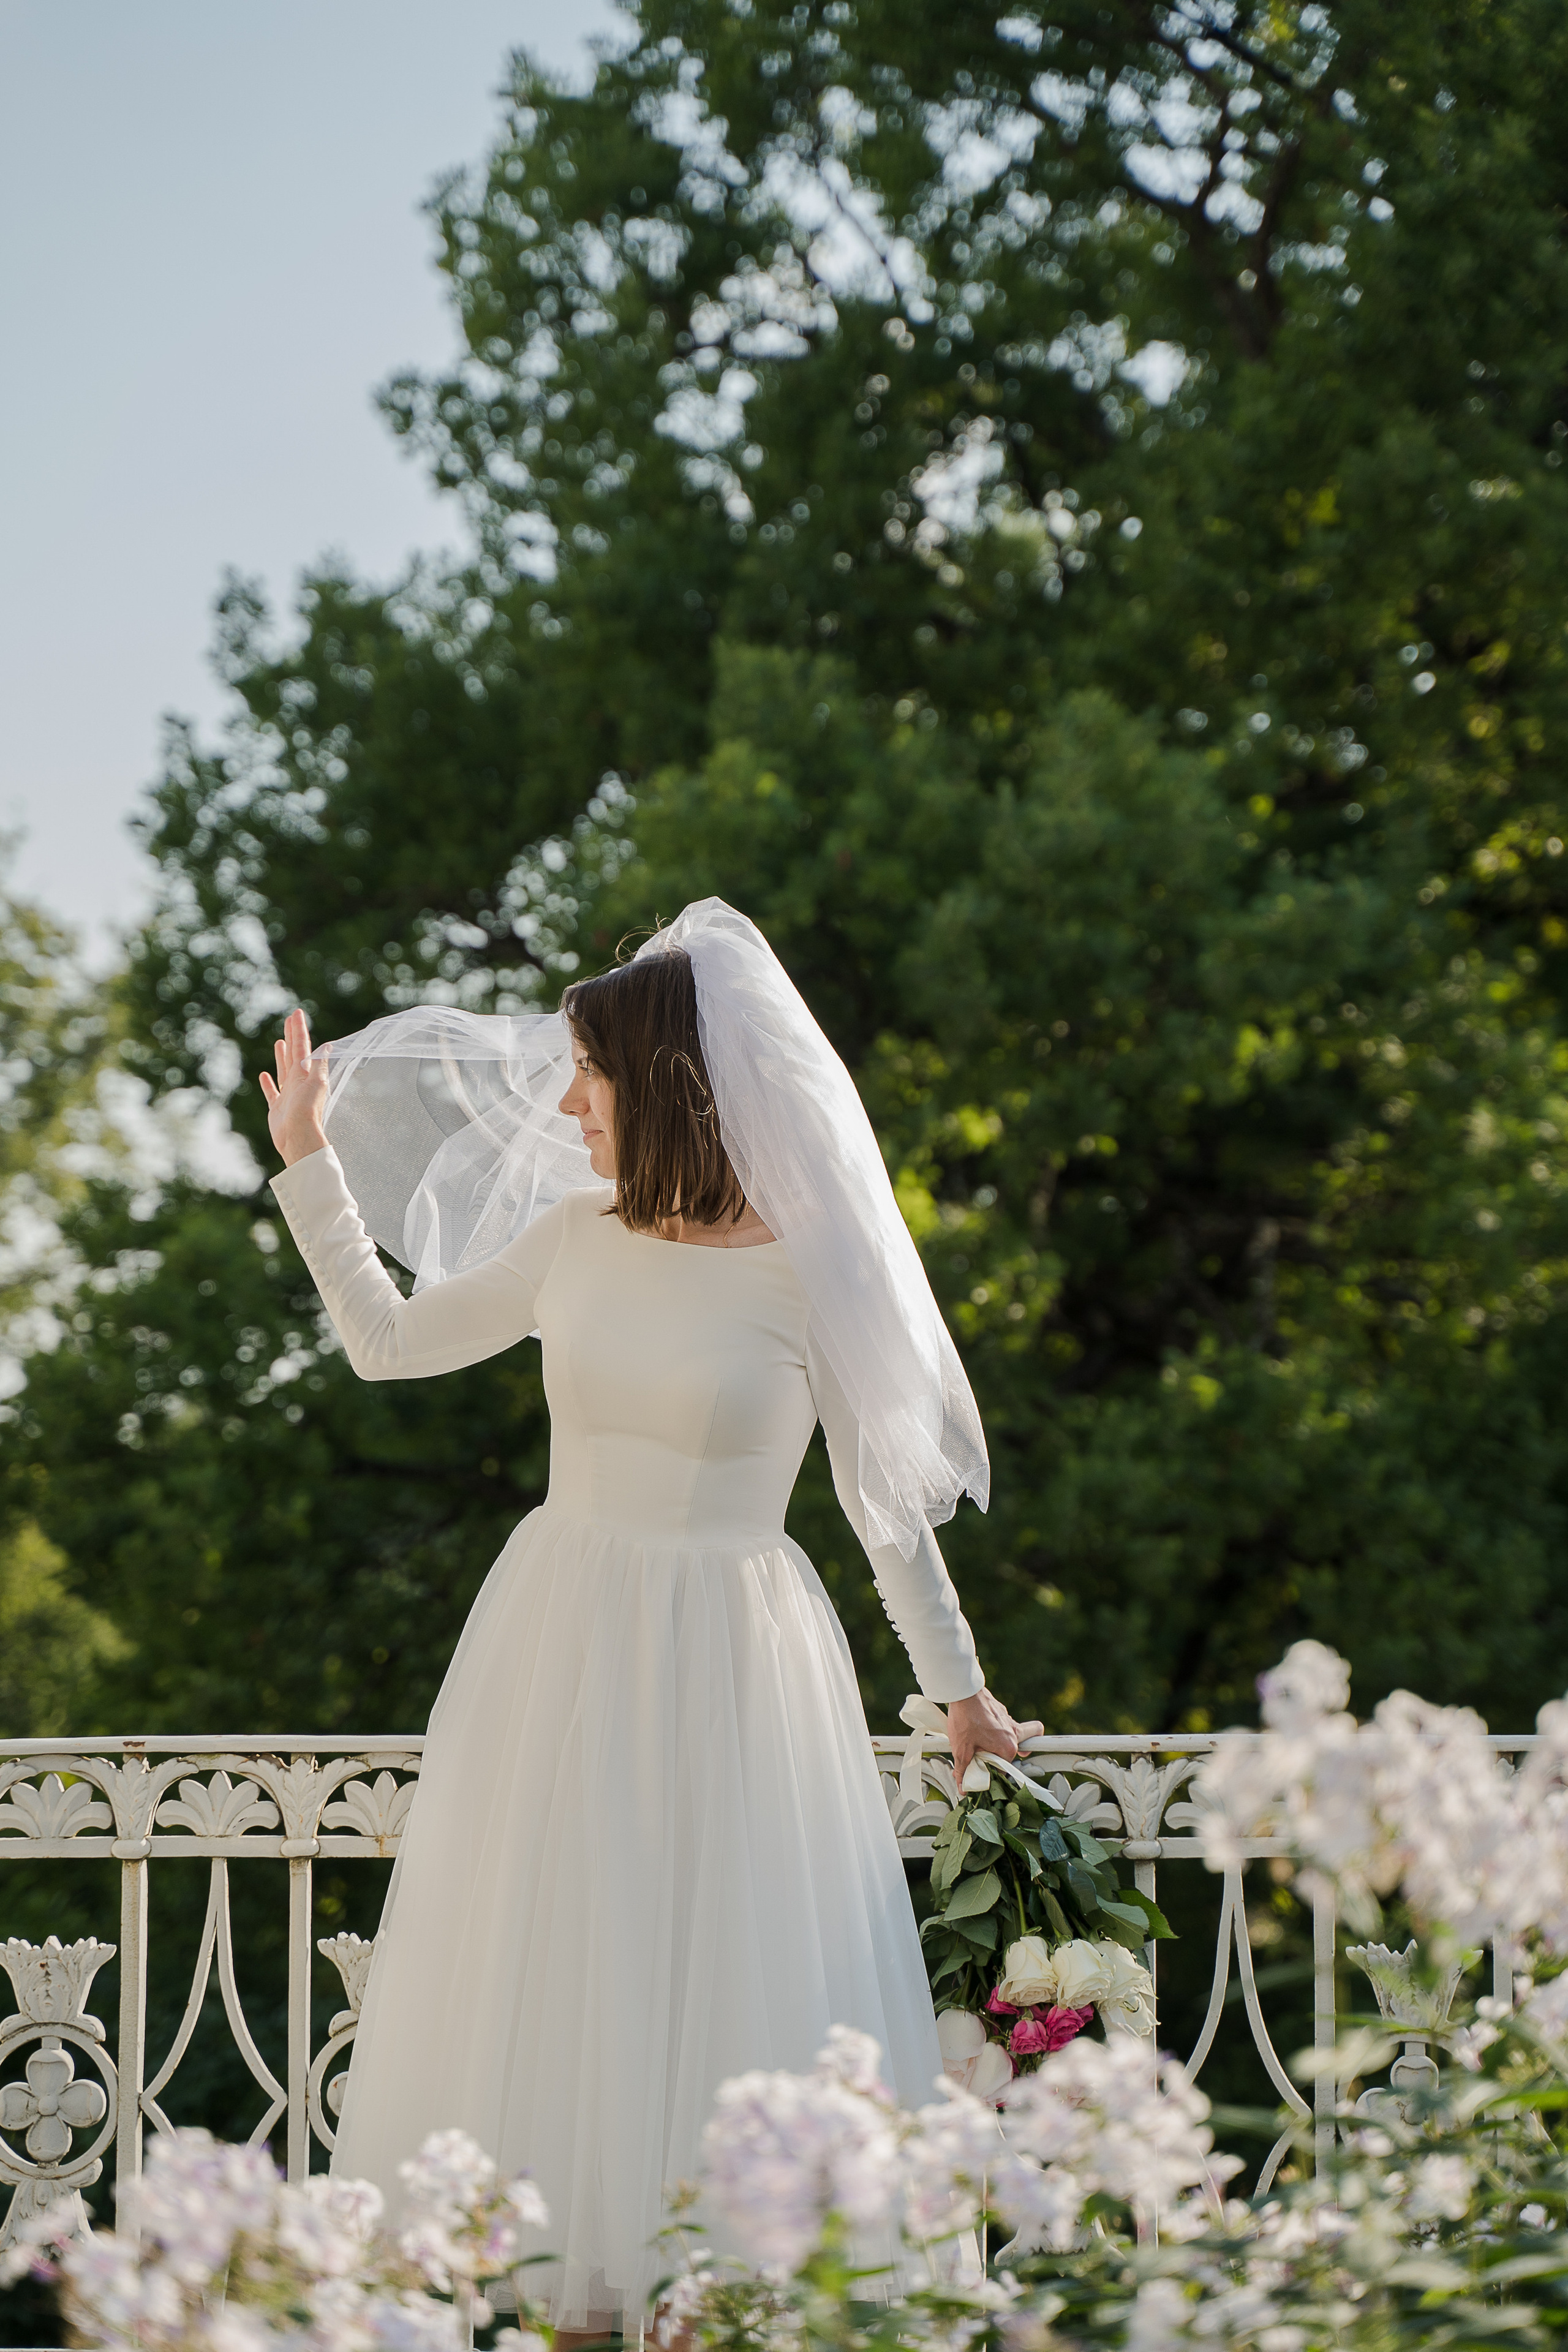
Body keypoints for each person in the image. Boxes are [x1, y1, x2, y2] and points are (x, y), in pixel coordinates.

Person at [258, 903, 1030, 2337]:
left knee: (724, 1982)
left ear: (667, 1083)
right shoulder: (570, 1239)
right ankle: (563, 2303)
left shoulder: (809, 1269)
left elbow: (885, 1513)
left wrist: (960, 1698)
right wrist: (309, 1165)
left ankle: (726, 2300)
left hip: (739, 1670)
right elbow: (383, 1344)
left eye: (589, 1079)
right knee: (557, 1977)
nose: (566, 1106)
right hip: (558, 1651)